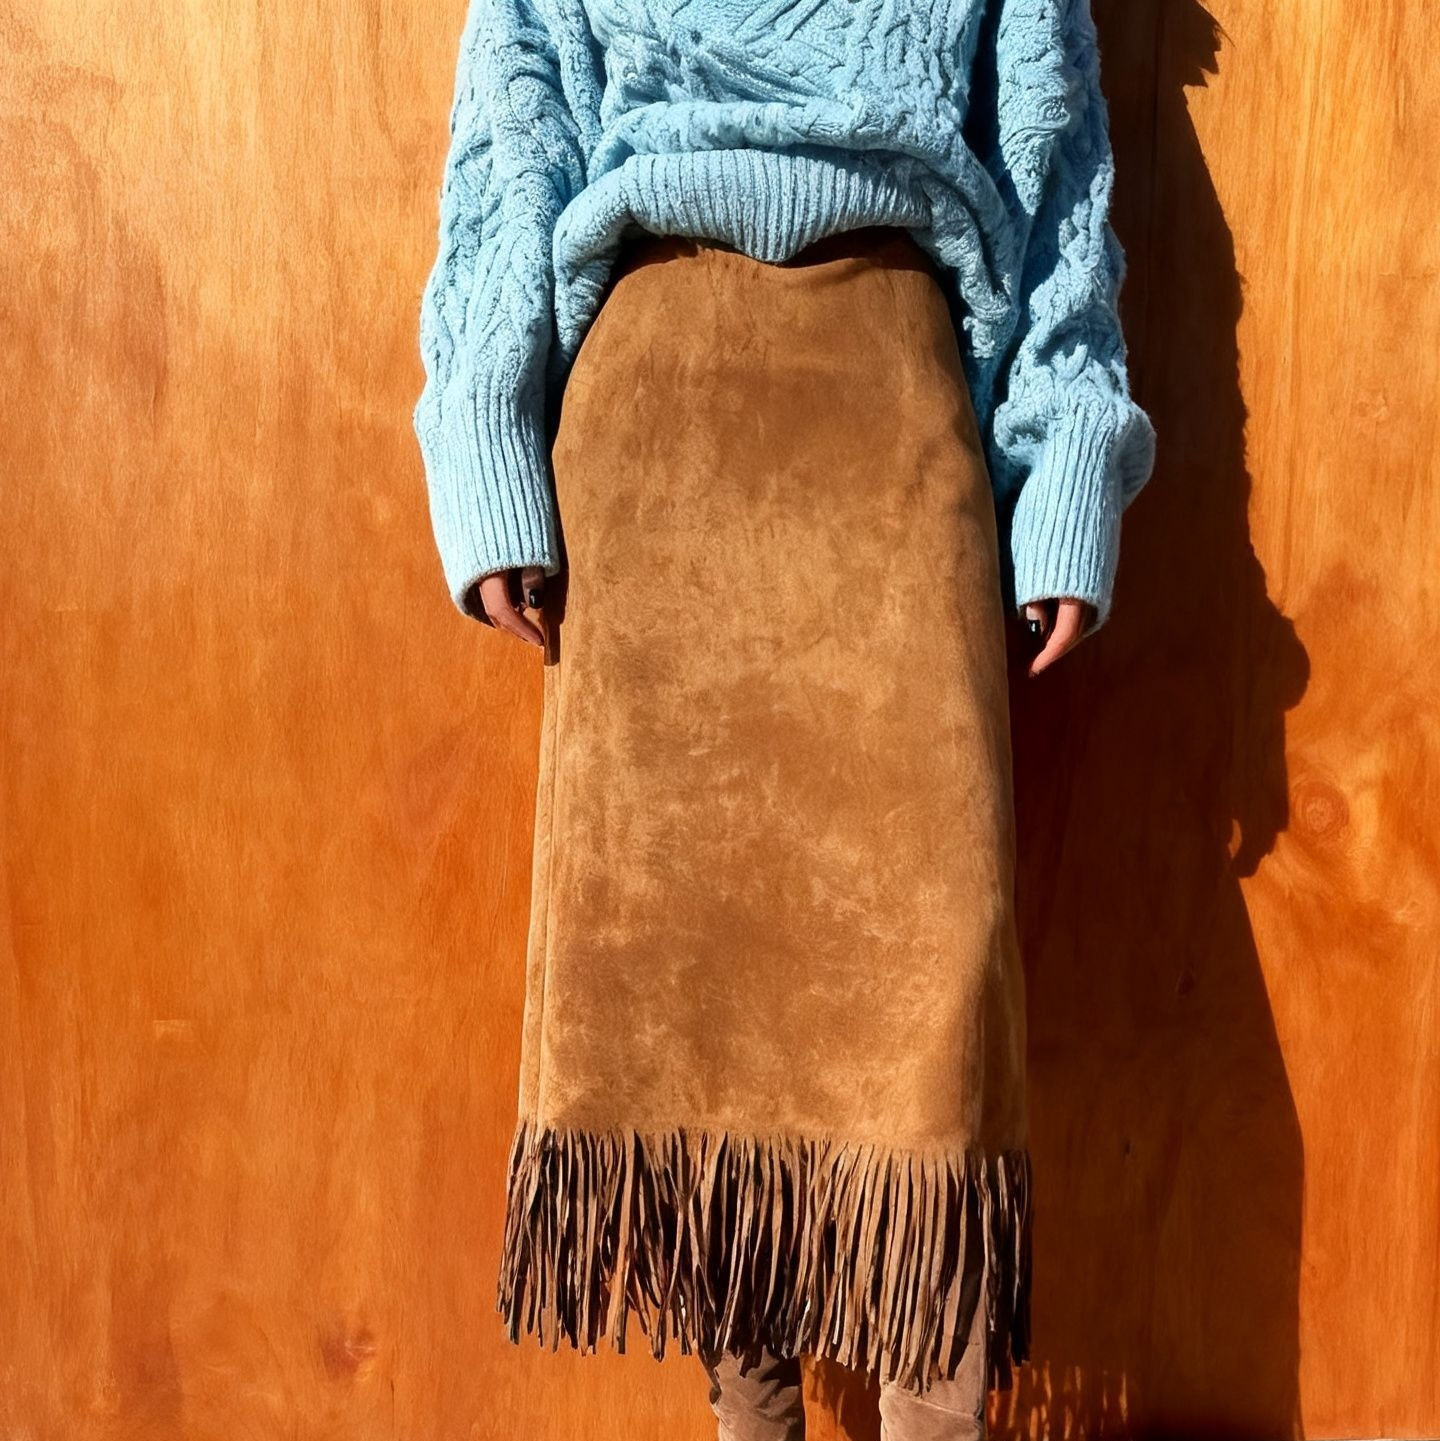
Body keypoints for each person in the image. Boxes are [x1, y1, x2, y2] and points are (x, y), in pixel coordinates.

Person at [413, 2, 1156, 1438]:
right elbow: (514, 134)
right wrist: (487, 440)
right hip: (650, 442)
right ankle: (749, 1423)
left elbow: (1057, 174)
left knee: (930, 1002)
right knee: (699, 998)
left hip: (895, 413)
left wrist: (1066, 466)